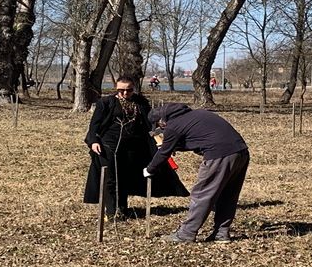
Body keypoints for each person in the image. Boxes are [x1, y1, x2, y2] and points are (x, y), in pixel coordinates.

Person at [84, 76, 188, 218]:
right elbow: (94, 125)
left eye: (129, 90)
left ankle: (122, 208)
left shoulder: (140, 102)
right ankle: (112, 211)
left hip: (133, 146)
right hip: (109, 145)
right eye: (121, 90)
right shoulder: (106, 103)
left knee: (125, 177)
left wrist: (159, 133)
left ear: (134, 89)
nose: (125, 93)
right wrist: (94, 141)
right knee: (111, 177)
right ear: (116, 89)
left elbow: (149, 122)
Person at [144, 103, 249, 243]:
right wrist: (174, 145)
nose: (161, 128)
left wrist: (150, 169)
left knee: (201, 194)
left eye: (159, 125)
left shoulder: (173, 126)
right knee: (228, 194)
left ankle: (186, 234)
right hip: (241, 152)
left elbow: (163, 153)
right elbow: (198, 139)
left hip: (219, 155)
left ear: (162, 120)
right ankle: (221, 233)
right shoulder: (195, 115)